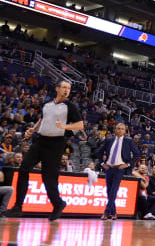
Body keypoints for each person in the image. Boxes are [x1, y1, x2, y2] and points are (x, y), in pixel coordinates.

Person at [6, 80, 83, 220]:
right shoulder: (47, 104)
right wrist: (33, 129)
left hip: (55, 144)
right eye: (64, 87)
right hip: (40, 140)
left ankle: (58, 204)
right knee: (24, 168)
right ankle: (18, 207)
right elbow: (43, 119)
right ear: (57, 88)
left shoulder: (70, 106)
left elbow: (80, 125)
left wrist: (64, 127)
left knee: (48, 178)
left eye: (69, 88)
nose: (67, 90)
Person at [96, 122, 141, 220]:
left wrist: (128, 164)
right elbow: (98, 152)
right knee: (109, 191)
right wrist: (102, 163)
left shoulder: (128, 141)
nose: (120, 130)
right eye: (118, 128)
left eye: (122, 129)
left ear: (125, 131)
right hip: (109, 168)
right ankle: (114, 213)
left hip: (119, 169)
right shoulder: (109, 140)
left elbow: (137, 154)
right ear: (115, 130)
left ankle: (106, 213)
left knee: (113, 190)